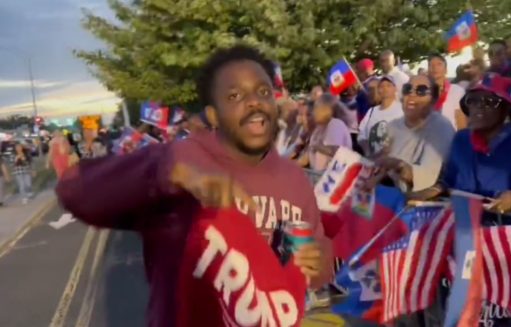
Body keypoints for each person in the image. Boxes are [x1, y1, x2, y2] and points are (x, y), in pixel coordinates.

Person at [56, 45, 331, 327]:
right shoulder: (180, 158)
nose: (254, 102)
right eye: (235, 96)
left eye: (263, 92)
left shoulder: (294, 178)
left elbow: (316, 269)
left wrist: (318, 264)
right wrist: (168, 177)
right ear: (213, 115)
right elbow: (76, 192)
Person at [411, 75, 511, 214]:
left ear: (506, 109)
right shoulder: (461, 140)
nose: (478, 107)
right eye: (473, 100)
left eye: (489, 101)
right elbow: (449, 180)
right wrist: (434, 190)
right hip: (466, 229)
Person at [374, 75, 455, 192]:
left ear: (434, 99)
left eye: (421, 91)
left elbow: (428, 178)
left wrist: (397, 164)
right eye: (407, 89)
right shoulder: (393, 126)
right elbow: (378, 163)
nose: (411, 94)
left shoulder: (441, 127)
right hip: (388, 195)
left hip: (422, 203)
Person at [358, 76, 403, 158]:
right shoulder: (371, 111)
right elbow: (361, 135)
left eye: (388, 85)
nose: (385, 88)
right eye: (382, 86)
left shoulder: (403, 110)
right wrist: (367, 150)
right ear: (378, 90)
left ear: (395, 88)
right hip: (374, 163)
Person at [306, 93, 353, 171]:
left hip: (333, 177)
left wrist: (317, 146)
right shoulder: (319, 128)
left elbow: (335, 151)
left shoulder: (335, 124)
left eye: (316, 108)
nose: (313, 112)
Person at [427, 54, 466, 130]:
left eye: (439, 64)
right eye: (431, 65)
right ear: (428, 70)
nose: (435, 67)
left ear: (446, 70)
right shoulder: (424, 93)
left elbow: (461, 123)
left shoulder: (457, 91)